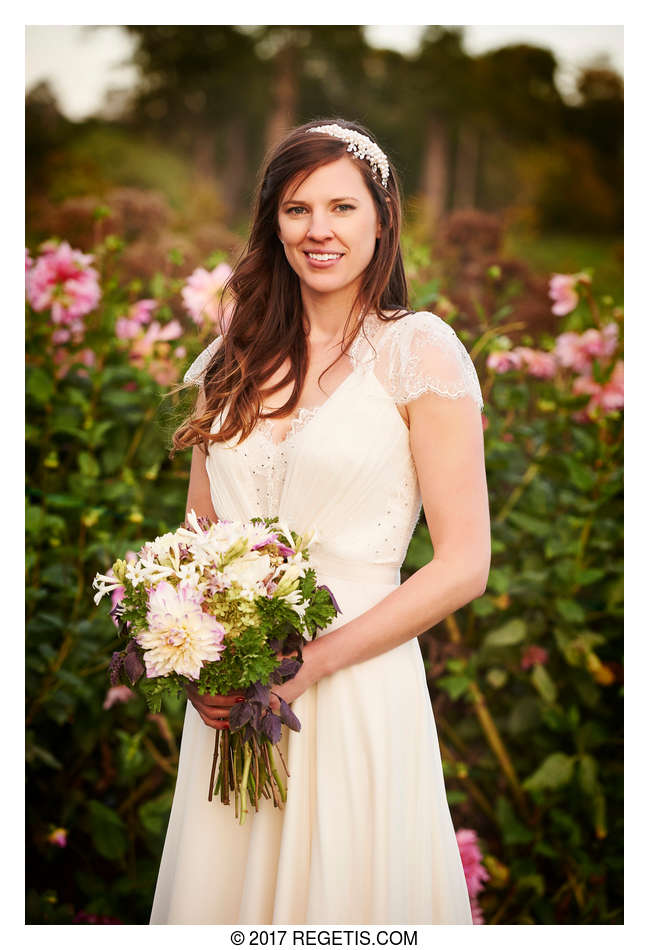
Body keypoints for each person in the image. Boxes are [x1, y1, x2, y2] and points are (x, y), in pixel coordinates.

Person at [149, 119, 490, 925]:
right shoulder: (230, 358)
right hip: (237, 700)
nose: (319, 230)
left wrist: (312, 663)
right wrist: (201, 659)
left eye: (341, 207)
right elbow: (195, 538)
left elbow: (463, 563)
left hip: (354, 687)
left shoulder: (420, 352)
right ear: (273, 221)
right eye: (297, 209)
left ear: (382, 218)